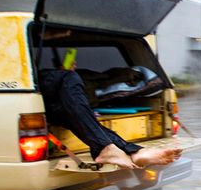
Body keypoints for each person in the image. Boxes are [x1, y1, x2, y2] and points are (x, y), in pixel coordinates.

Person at [38, 57, 181, 170]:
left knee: (73, 113)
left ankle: (132, 151)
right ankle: (108, 149)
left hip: (47, 104)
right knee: (68, 76)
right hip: (29, 81)